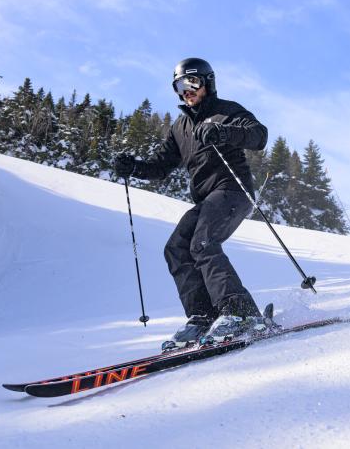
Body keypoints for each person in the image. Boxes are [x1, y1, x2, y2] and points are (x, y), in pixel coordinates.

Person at [112, 58, 269, 350]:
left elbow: (259, 136)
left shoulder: (227, 111)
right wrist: (133, 167)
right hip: (207, 198)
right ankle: (202, 316)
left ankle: (240, 313)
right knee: (176, 247)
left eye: (192, 83)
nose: (187, 91)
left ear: (208, 83)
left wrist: (223, 133)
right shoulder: (180, 128)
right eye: (180, 86)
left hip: (233, 190)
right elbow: (160, 167)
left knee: (204, 242)